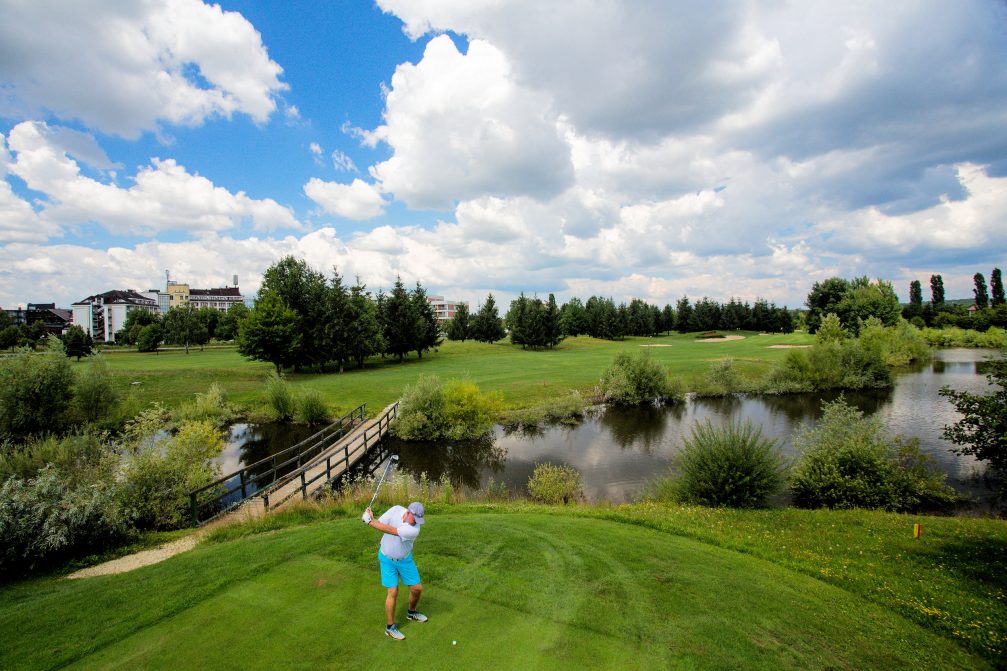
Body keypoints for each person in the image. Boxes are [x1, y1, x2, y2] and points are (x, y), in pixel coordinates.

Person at [363, 501, 427, 640]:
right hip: (386, 559)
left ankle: (411, 612)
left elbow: (391, 530)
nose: (417, 522)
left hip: (405, 560)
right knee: (393, 591)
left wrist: (369, 522)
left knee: (417, 588)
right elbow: (381, 523)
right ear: (409, 512)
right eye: (415, 519)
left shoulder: (414, 529)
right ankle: (390, 627)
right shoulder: (396, 509)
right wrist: (371, 518)